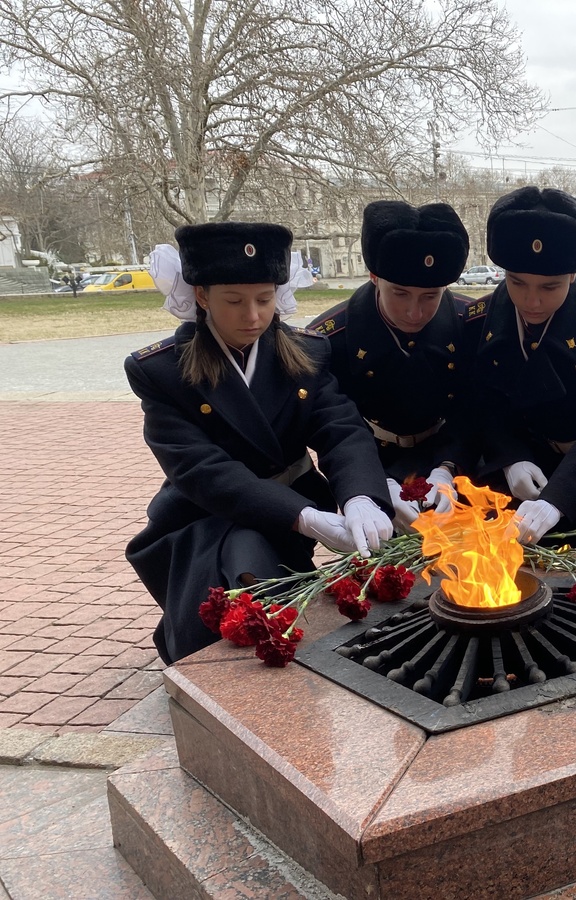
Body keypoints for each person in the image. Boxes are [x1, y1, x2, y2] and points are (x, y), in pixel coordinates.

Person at [126, 222, 394, 665]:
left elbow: (341, 429)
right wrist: (303, 517)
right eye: (234, 301)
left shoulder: (306, 352)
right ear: (202, 296)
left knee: (270, 589)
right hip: (205, 513)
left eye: (265, 299)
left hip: (287, 500)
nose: (253, 316)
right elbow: (202, 470)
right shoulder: (161, 372)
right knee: (241, 570)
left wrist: (361, 496)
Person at [471, 186, 576, 544]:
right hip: (514, 477)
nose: (531, 301)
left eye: (550, 287)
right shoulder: (478, 319)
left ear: (574, 276)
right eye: (517, 283)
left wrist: (557, 499)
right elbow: (483, 401)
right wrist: (510, 457)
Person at [311, 201, 482, 528]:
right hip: (374, 459)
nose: (414, 312)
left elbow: (472, 406)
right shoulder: (329, 338)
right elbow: (334, 427)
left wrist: (448, 468)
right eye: (400, 294)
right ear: (375, 276)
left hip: (450, 454)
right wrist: (372, 485)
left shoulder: (469, 323)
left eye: (430, 296)